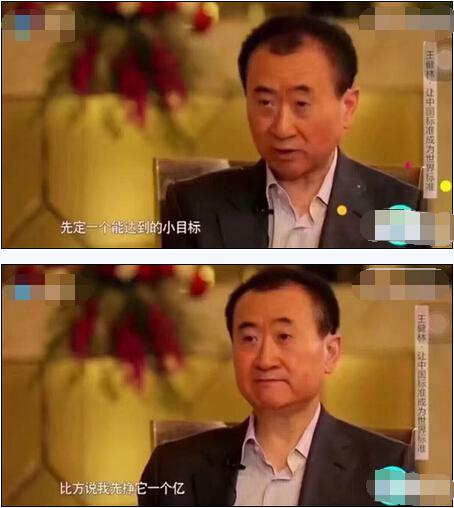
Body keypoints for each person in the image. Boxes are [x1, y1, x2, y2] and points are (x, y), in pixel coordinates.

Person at [138, 267, 415, 506]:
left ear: (330, 353)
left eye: (284, 336)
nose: (265, 359)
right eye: (249, 339)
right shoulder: (172, 468)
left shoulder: (392, 468)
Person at [162, 15, 423, 249]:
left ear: (347, 107)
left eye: (301, 104)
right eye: (266, 103)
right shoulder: (192, 207)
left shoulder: (408, 209)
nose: (282, 128)